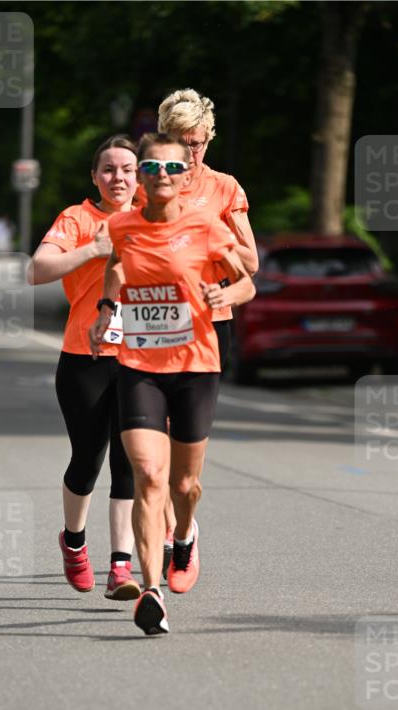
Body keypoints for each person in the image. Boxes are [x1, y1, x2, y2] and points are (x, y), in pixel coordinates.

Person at [90, 133, 255, 636]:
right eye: (151, 167)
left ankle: (183, 535)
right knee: (147, 475)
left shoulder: (206, 226)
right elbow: (117, 268)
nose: (161, 176)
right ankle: (151, 589)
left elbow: (247, 280)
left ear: (186, 177)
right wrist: (105, 312)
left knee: (183, 485)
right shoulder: (121, 225)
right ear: (141, 174)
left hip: (195, 367)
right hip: (139, 365)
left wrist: (221, 292)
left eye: (171, 168)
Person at [28, 135, 140, 601]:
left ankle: (120, 566)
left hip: (142, 358)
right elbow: (37, 270)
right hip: (85, 357)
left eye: (128, 169)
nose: (119, 178)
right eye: (109, 169)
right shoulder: (77, 219)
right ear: (95, 177)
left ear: (141, 175)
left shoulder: (155, 216)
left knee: (130, 460)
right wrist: (93, 249)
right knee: (88, 458)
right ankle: (74, 542)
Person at [156, 88, 259, 570]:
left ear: (208, 139)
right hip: (151, 324)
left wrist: (208, 239)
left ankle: (185, 526)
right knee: (150, 435)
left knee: (186, 439)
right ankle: (158, 524)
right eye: (181, 140)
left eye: (198, 141)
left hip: (206, 324)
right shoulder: (148, 183)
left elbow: (251, 263)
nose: (191, 151)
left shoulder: (224, 187)